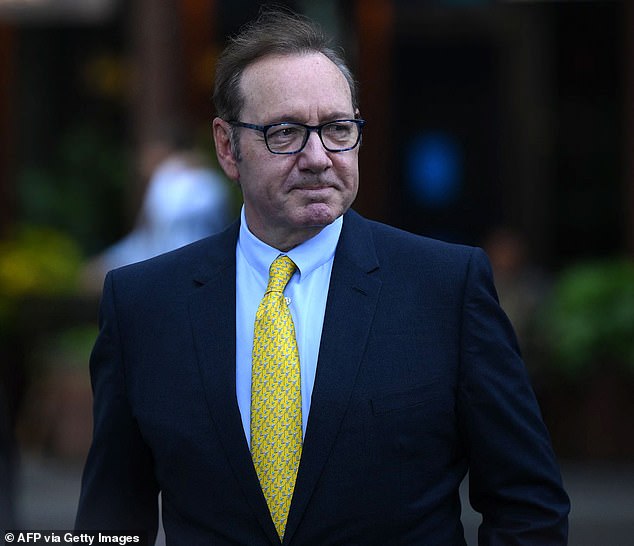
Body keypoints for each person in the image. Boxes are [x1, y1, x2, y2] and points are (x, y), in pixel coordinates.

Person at [75, 8, 570, 545]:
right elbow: (111, 520)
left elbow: (529, 508)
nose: (318, 157)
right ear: (226, 146)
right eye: (285, 132)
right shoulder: (144, 304)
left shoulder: (445, 289)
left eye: (337, 129)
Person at [80, 119, 231, 292]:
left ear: (162, 148)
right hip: (180, 255)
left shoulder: (170, 179)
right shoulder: (204, 180)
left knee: (98, 276)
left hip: (173, 257)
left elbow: (161, 233)